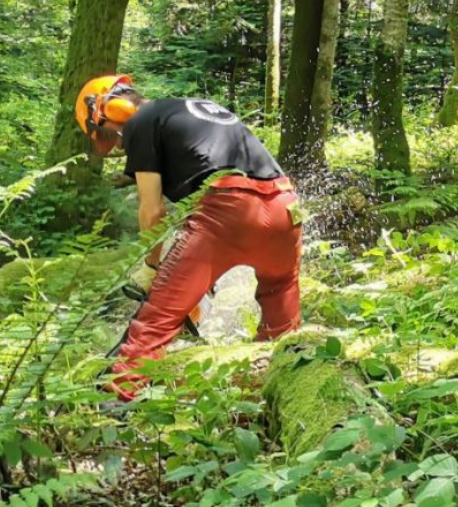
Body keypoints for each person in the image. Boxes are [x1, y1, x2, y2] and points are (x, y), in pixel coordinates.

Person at [75, 74, 303, 398]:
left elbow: (152, 211)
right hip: (285, 204)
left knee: (158, 315)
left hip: (228, 208)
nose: (112, 142)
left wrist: (152, 268)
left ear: (109, 111)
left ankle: (118, 398)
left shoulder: (140, 123)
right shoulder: (183, 110)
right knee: (281, 318)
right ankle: (283, 386)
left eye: (104, 132)